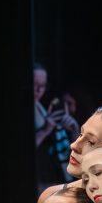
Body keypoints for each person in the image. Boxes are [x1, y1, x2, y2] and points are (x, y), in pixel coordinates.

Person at [33, 63, 79, 192]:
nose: (38, 90)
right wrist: (45, 130)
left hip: (51, 176)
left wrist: (74, 130)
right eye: (34, 84)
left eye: (42, 85)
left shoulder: (39, 106)